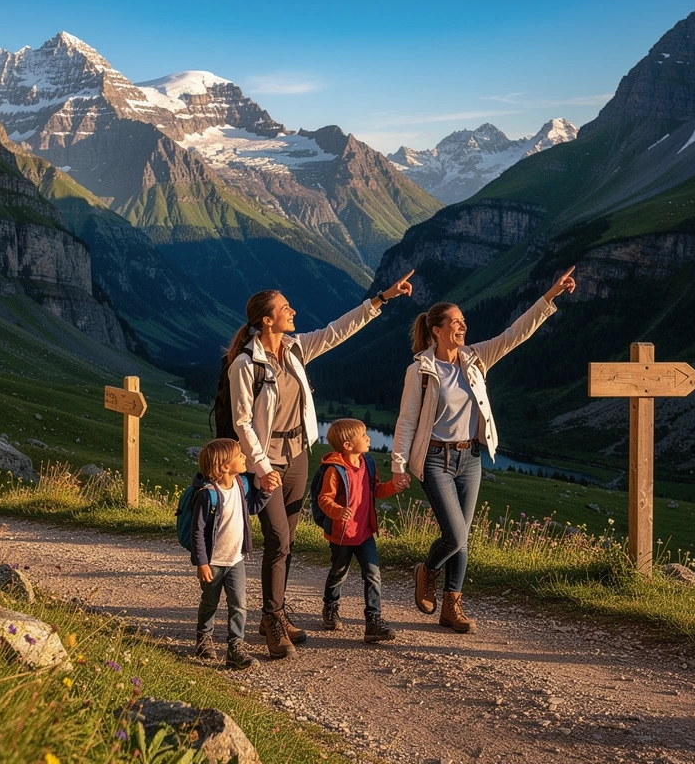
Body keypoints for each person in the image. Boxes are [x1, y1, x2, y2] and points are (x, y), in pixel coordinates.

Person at [228, 271, 414, 660]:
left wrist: (381, 299)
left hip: (298, 457)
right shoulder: (245, 365)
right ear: (266, 319)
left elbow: (336, 331)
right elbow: (242, 421)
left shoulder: (294, 348)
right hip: (268, 463)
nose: (292, 311)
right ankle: (272, 619)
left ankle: (272, 614)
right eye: (284, 308)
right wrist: (261, 467)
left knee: (288, 541)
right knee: (278, 538)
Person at [391, 266, 577, 633]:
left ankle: (452, 607)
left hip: (470, 457)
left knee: (464, 537)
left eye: (463, 322)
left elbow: (515, 334)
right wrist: (398, 466)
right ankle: (426, 571)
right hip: (435, 459)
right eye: (456, 323)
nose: (463, 327)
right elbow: (406, 422)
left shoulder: (475, 358)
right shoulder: (421, 371)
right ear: (436, 329)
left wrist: (550, 296)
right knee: (455, 535)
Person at [315, 418, 403, 644]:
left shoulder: (368, 463)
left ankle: (373, 621)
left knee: (373, 574)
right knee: (338, 573)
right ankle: (331, 606)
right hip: (342, 535)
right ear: (347, 445)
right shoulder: (334, 470)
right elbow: (324, 498)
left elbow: (377, 491)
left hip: (364, 533)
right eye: (363, 436)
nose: (368, 438)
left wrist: (394, 486)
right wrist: (336, 511)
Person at [190, 438, 271, 670]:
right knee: (210, 602)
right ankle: (204, 639)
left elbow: (252, 508)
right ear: (225, 466)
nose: (244, 457)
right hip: (214, 562)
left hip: (236, 559)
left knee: (239, 604)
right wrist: (202, 563)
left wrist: (266, 492)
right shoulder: (208, 495)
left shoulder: (242, 484)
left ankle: (235, 648)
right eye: (239, 455)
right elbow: (198, 531)